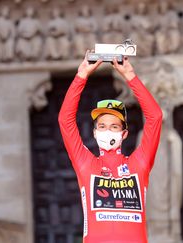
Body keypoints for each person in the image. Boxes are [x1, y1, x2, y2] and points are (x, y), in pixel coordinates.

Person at [58, 52, 162, 242]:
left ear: (124, 134)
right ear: (95, 133)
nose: (108, 131)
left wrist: (130, 75)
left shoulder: (138, 164)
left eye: (114, 127)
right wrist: (81, 75)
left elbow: (155, 117)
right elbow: (65, 120)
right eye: (102, 126)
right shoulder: (86, 164)